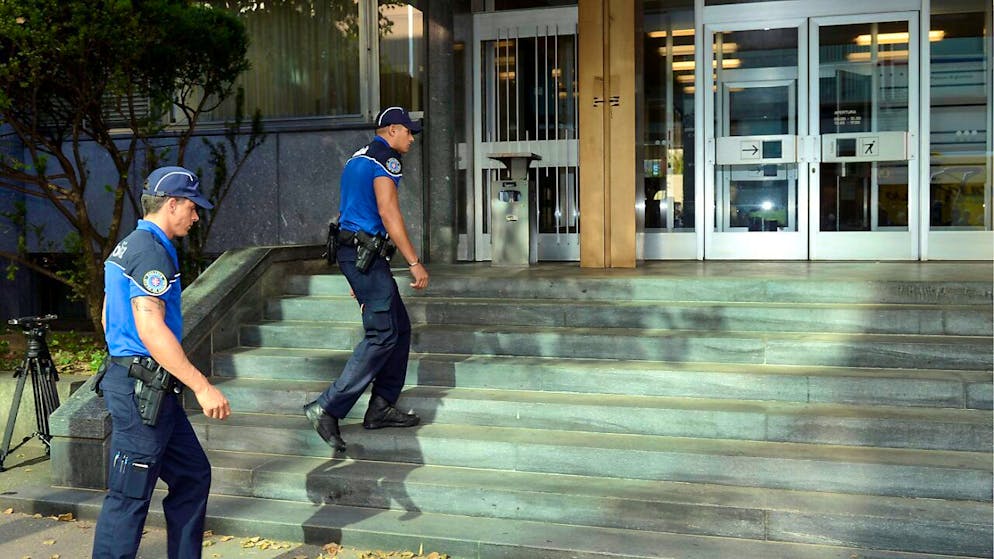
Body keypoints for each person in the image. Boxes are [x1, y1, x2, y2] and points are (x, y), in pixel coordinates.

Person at [93, 166, 231, 559]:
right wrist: (202, 386)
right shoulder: (151, 252)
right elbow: (152, 328)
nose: (196, 216)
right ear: (171, 204)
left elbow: (106, 315)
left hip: (147, 388)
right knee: (129, 496)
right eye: (192, 207)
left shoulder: (129, 246)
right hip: (141, 392)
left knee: (192, 476)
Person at [304, 107, 429, 452]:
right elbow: (388, 213)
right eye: (408, 131)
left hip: (359, 256)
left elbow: (351, 211)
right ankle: (327, 406)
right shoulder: (385, 160)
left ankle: (381, 406)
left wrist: (355, 272)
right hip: (364, 256)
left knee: (399, 328)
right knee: (382, 335)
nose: (411, 139)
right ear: (391, 130)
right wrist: (415, 262)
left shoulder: (357, 158)